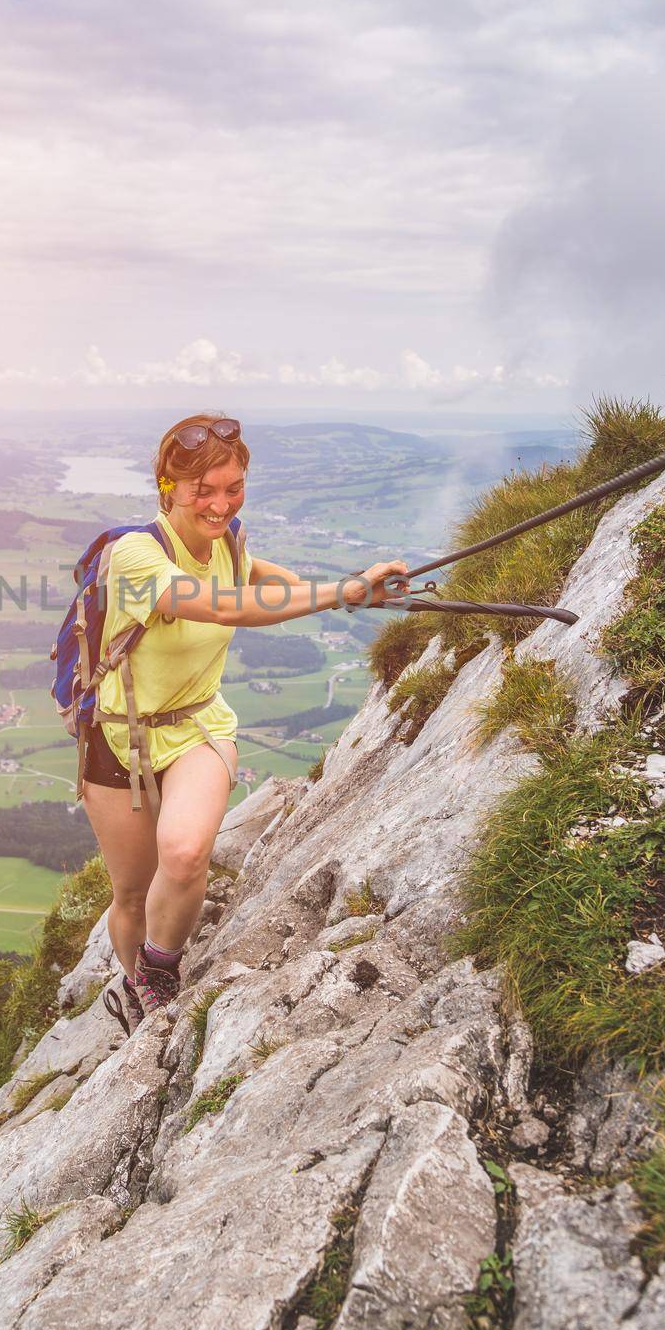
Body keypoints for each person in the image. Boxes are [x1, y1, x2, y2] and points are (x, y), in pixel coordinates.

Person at [80, 411, 410, 1029]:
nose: (220, 504)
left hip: (198, 726)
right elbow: (226, 606)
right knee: (130, 892)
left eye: (232, 488)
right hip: (117, 740)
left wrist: (349, 587)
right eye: (203, 490)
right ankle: (136, 995)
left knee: (182, 854)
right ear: (168, 487)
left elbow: (258, 577)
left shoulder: (228, 540)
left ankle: (158, 976)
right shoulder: (135, 557)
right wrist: (344, 592)